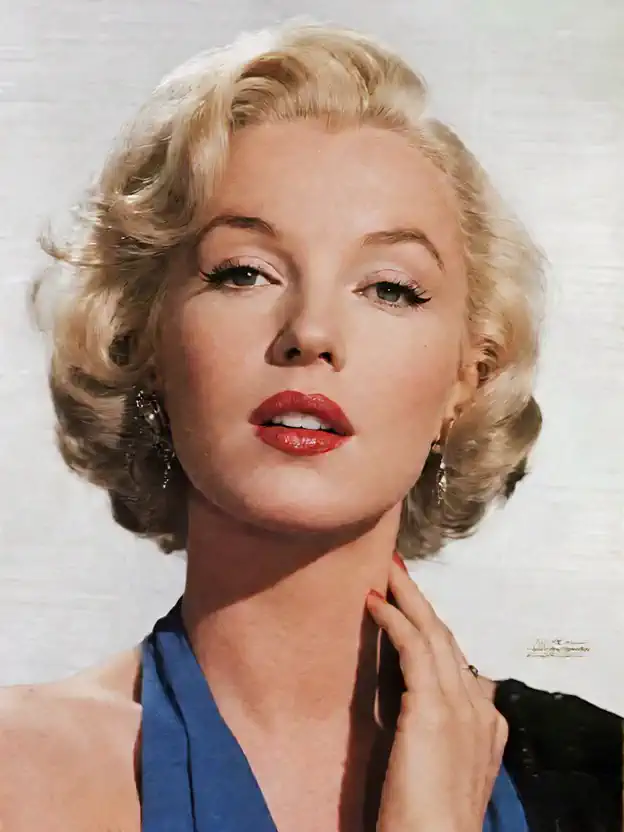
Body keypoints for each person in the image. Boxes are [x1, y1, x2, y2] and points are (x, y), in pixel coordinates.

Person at [0, 20, 621, 832]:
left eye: (390, 288)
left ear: (467, 379)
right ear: (145, 341)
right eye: (244, 272)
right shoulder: (17, 773)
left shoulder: (599, 781)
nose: (311, 332)